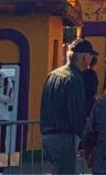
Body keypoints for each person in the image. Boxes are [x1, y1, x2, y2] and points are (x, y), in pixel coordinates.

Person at [40, 39, 94, 175]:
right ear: (84, 58)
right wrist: (87, 141)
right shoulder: (74, 79)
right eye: (91, 56)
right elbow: (76, 116)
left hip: (47, 135)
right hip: (64, 137)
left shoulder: (52, 75)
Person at [82, 49, 101, 118]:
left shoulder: (84, 72)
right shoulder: (92, 74)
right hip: (90, 104)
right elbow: (92, 90)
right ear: (96, 63)